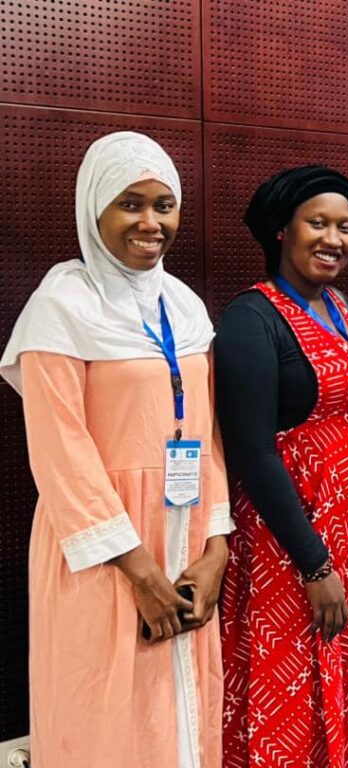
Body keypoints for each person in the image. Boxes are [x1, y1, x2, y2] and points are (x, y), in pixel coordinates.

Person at [0, 131, 232, 766]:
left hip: (186, 541)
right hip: (102, 550)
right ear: (93, 208)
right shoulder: (61, 307)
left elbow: (208, 432)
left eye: (164, 205)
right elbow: (61, 455)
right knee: (101, 716)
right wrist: (140, 571)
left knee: (183, 715)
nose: (151, 223)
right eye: (130, 204)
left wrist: (215, 549)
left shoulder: (184, 305)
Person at [216, 165, 348, 767]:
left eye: (346, 227)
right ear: (283, 230)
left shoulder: (340, 305)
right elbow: (252, 454)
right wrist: (314, 564)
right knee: (293, 684)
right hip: (291, 539)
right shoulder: (251, 318)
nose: (334, 239)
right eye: (319, 223)